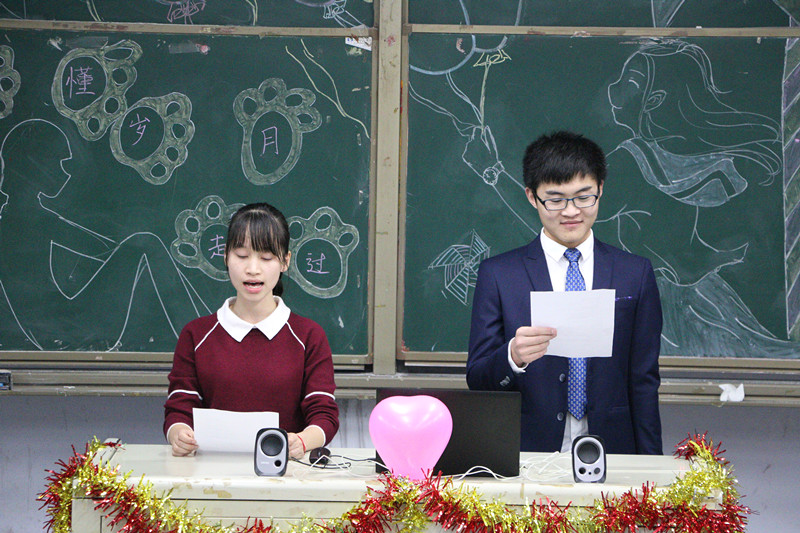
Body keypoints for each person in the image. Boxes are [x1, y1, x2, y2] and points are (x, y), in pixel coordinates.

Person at [466, 131, 662, 455]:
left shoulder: (634, 273)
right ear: (532, 196)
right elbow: (477, 378)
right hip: (527, 451)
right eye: (555, 200)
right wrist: (512, 356)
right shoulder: (499, 274)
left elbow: (644, 380)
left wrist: (652, 466)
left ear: (600, 189)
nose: (571, 211)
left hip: (614, 448)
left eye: (584, 197)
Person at [163, 202, 339, 458]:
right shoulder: (196, 335)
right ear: (226, 256)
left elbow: (324, 414)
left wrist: (301, 441)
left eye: (266, 258)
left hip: (286, 470)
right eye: (242, 255)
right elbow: (179, 408)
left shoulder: (308, 336)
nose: (253, 269)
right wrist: (178, 434)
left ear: (285, 261)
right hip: (211, 471)